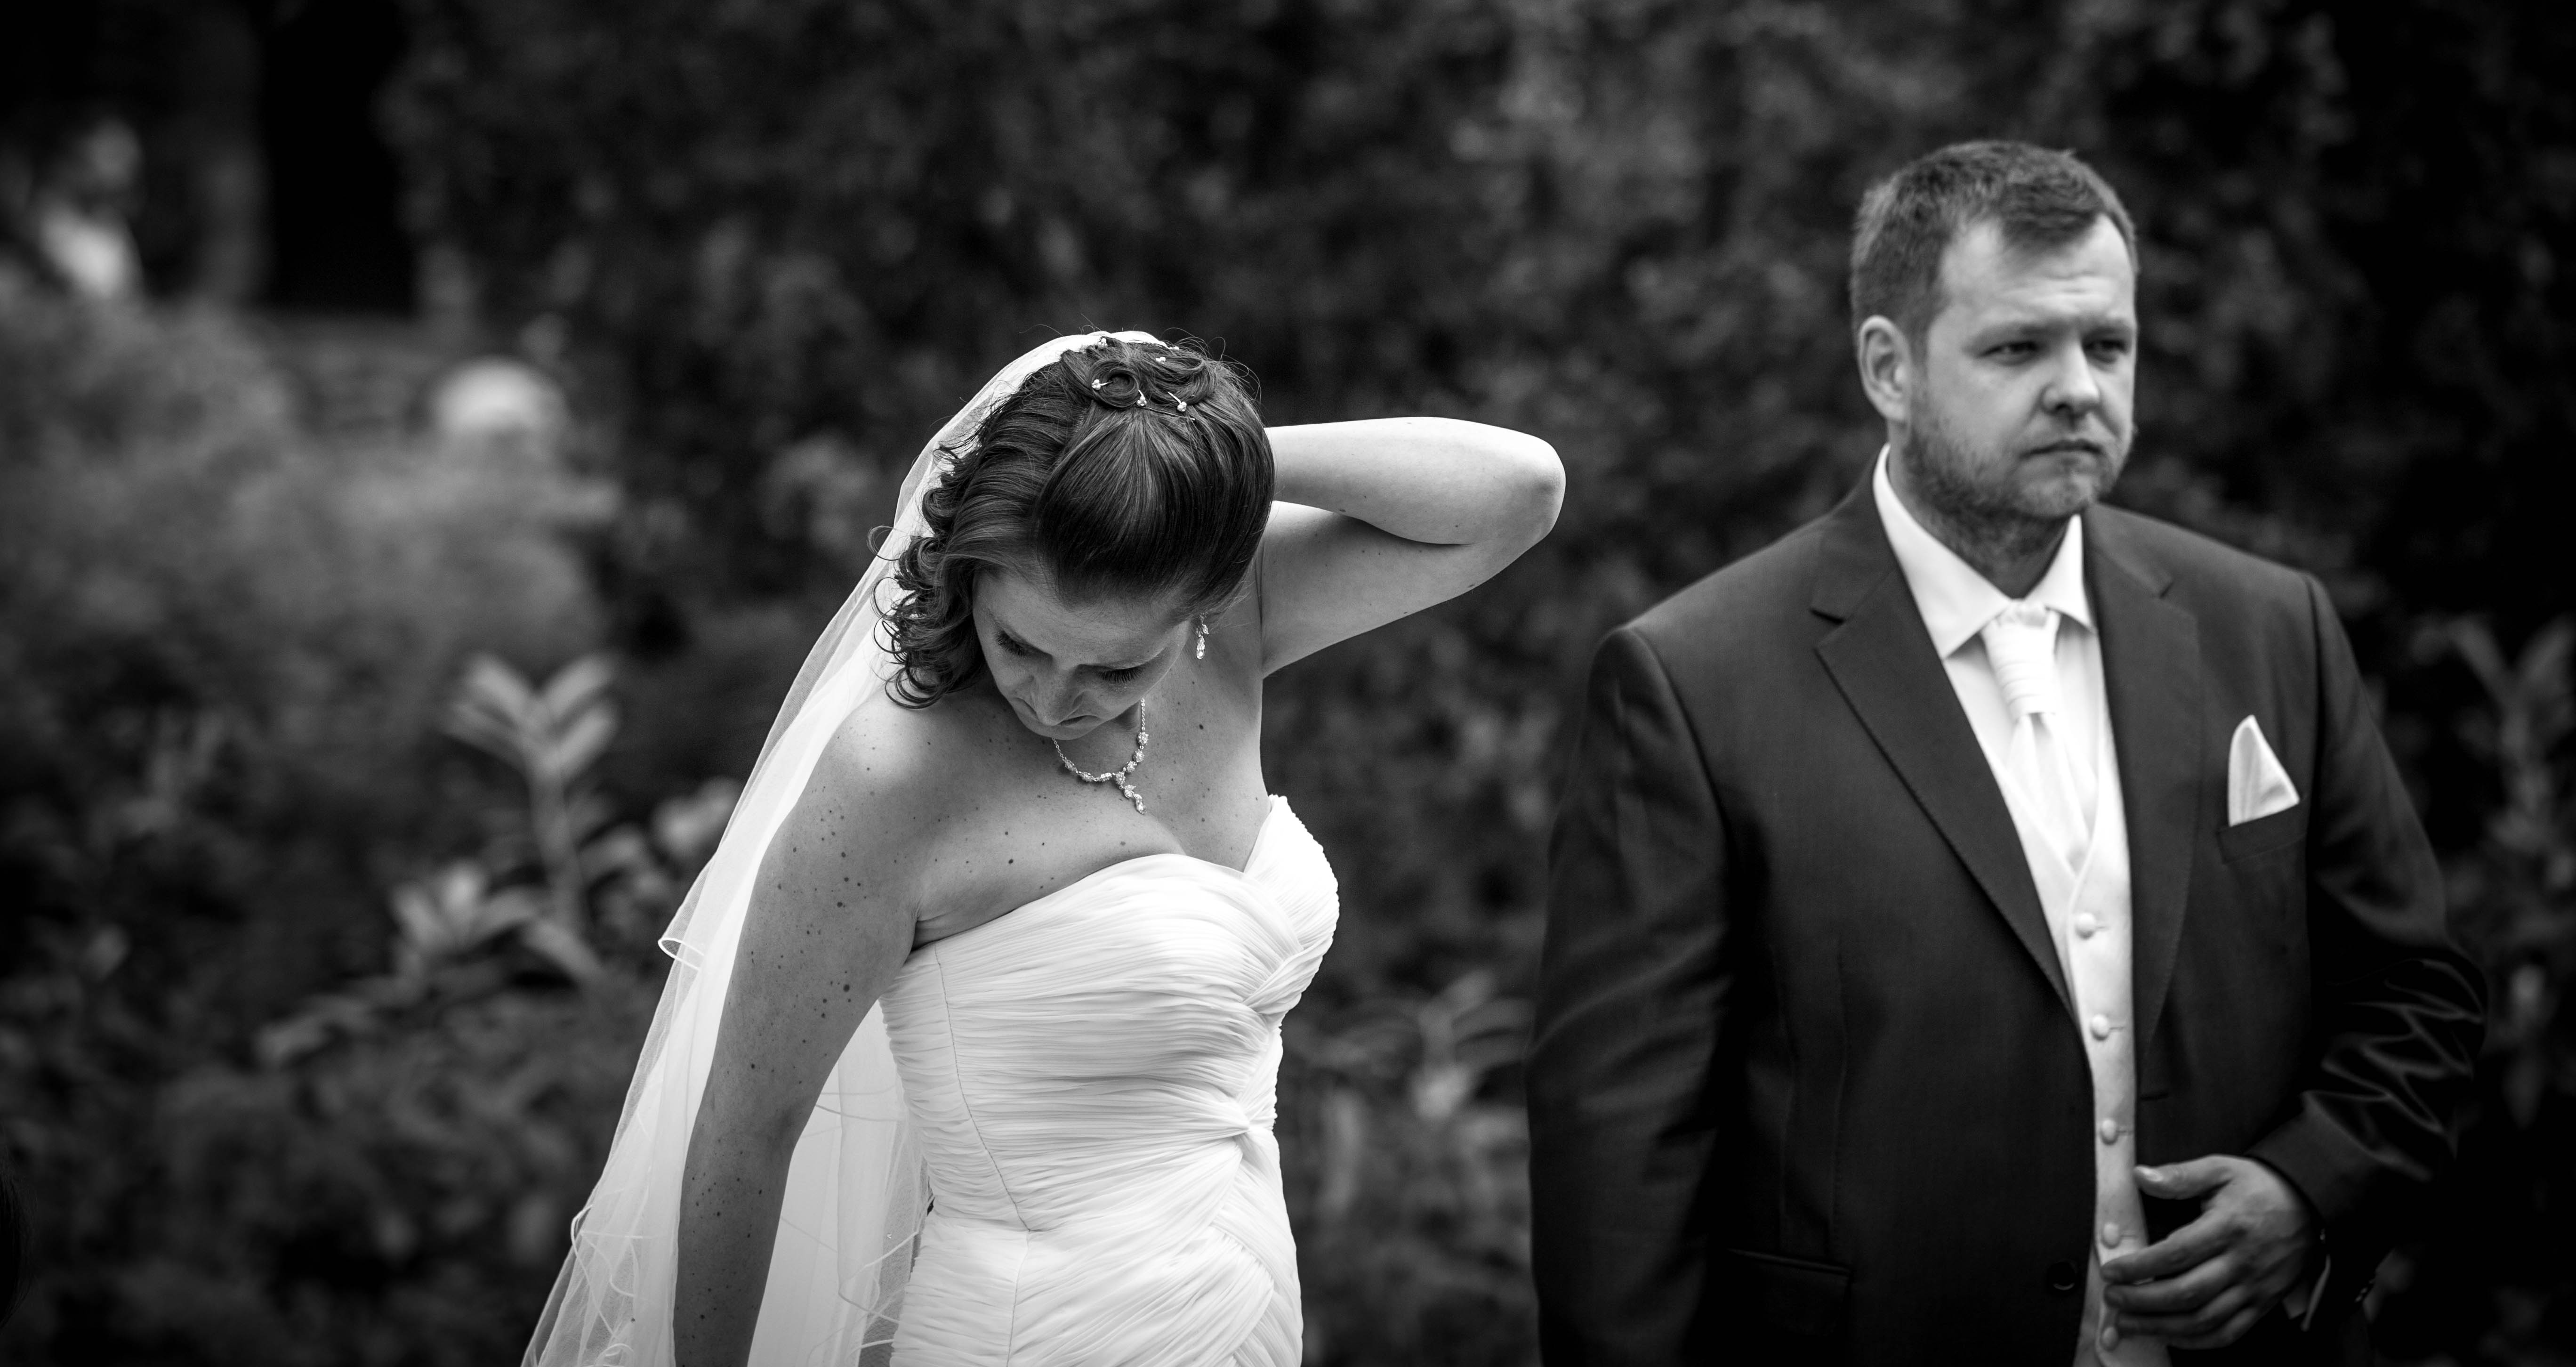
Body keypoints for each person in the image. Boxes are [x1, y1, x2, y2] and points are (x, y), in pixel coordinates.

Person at [1527, 142, 2485, 1365]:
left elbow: (2417, 991)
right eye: (2019, 348)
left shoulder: (2270, 627)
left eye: (2109, 344)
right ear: (1890, 367)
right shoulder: (1695, 681)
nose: (2080, 388)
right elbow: (1619, 1148)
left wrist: (2311, 1189)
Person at [526, 330, 1563, 1367]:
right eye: (1019, 642)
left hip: (1246, 1316)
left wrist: (1184, 460)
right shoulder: (895, 777)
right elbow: (744, 1136)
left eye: (1118, 670)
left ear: (1200, 607)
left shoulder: (1238, 623)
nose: (1055, 698)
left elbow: (1519, 492)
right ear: (972, 579)